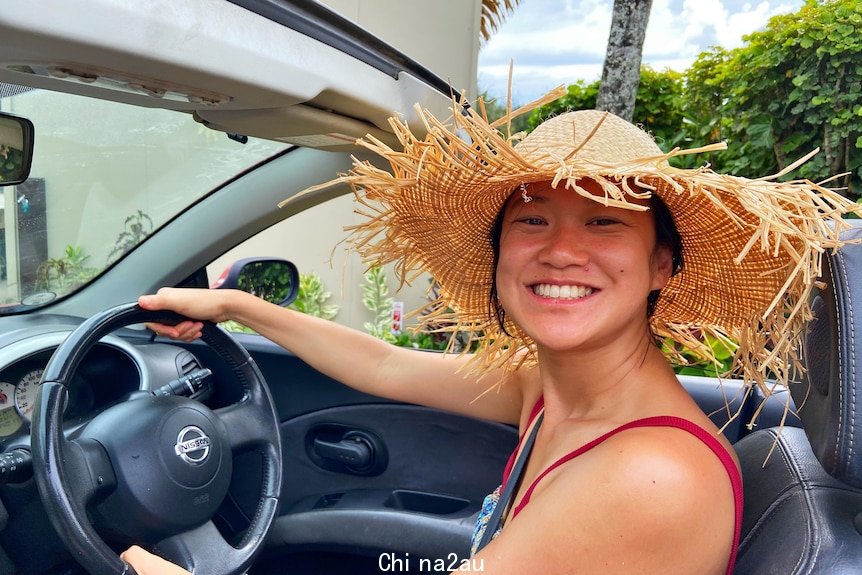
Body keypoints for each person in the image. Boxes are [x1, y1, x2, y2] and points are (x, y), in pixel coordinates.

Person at [121, 101, 859, 574]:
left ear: (662, 262)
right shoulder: (554, 386)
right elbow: (382, 362)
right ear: (501, 252)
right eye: (532, 219)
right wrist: (239, 305)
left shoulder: (649, 475)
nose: (561, 251)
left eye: (604, 221)